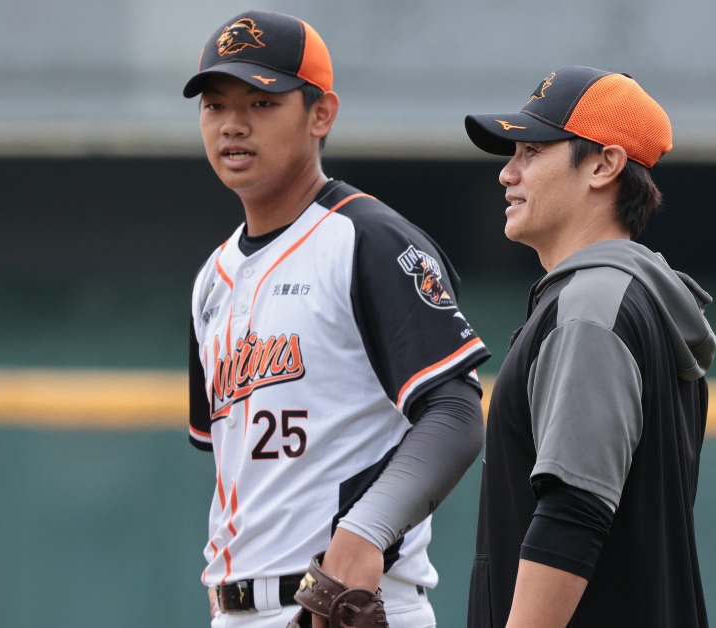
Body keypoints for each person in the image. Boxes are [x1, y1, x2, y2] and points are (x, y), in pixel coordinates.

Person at [184, 10, 491, 628]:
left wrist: (366, 529)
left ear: (320, 113)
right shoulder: (210, 279)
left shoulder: (367, 239)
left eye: (261, 102)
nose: (233, 124)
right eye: (215, 105)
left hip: (344, 608)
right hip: (237, 609)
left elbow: (456, 412)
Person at [461, 66, 716, 627]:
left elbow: (573, 512)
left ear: (604, 165)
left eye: (532, 151)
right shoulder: (633, 302)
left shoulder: (593, 305)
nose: (507, 172)